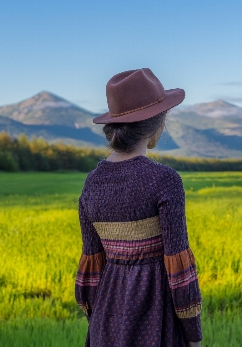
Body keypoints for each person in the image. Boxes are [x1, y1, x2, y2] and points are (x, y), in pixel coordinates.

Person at [75, 69, 202, 347]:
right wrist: (193, 335)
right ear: (157, 125)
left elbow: (91, 268)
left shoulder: (91, 184)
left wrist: (99, 322)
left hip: (106, 321)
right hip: (157, 320)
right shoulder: (165, 180)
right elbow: (178, 269)